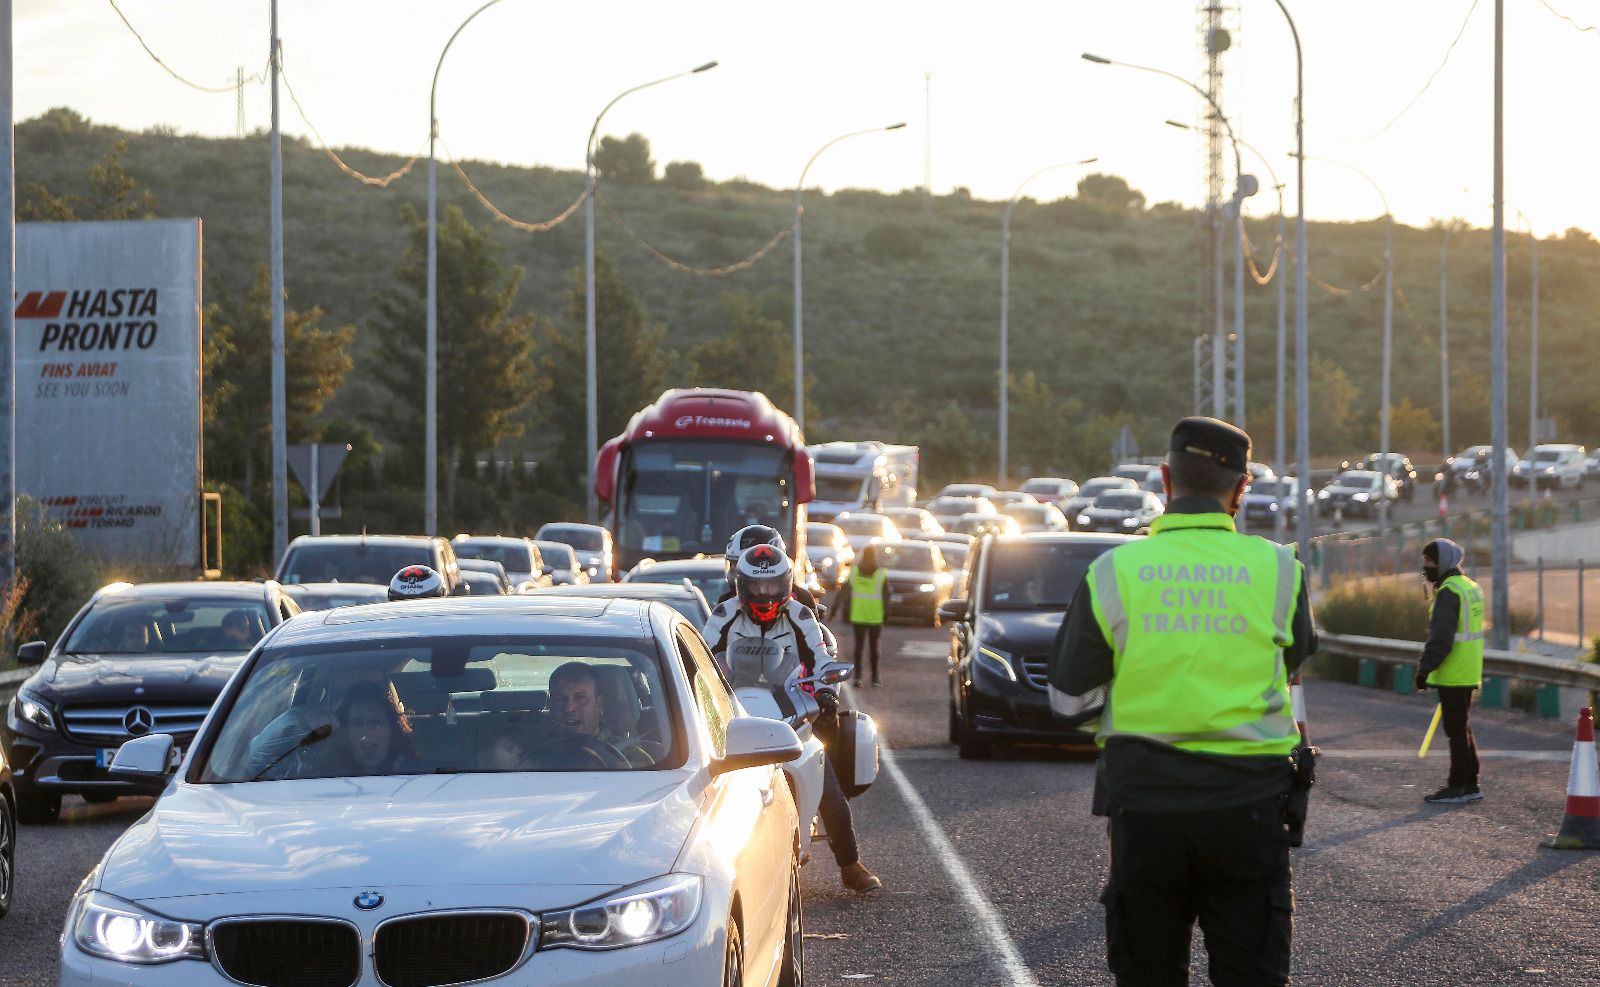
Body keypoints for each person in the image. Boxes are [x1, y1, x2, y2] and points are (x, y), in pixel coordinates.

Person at [1049, 416, 1318, 987]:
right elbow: (1294, 660)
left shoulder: (1111, 572)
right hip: (1248, 812)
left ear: (1165, 480)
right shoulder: (1279, 569)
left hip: (1146, 811)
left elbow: (1069, 702)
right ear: (1242, 490)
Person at [704, 544, 884, 894]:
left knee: (828, 787)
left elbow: (820, 658)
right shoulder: (724, 612)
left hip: (790, 706)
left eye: (773, 585)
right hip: (734, 710)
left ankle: (850, 865)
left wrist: (826, 693)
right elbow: (703, 653)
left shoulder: (801, 615)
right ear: (741, 584)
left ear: (787, 583)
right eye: (757, 586)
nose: (765, 593)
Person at [1414, 538, 1485, 804]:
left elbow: (1441, 638)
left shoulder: (1448, 592)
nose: (1425, 567)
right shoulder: (1470, 587)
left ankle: (1458, 785)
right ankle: (1470, 782)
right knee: (1461, 727)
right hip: (1468, 670)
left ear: (1441, 562)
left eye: (1429, 561)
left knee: (1455, 729)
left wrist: (1424, 669)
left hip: (1453, 672)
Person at [830, 543, 889, 687]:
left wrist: (834, 610)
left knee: (859, 647)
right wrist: (887, 614)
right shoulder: (881, 574)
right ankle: (875, 678)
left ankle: (858, 677)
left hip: (858, 615)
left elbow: (843, 593)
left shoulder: (855, 572)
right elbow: (887, 596)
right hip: (875, 616)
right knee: (874, 647)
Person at [332, 680, 418, 776]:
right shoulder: (325, 778)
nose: (366, 732)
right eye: (357, 724)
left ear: (392, 729)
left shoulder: (417, 775)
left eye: (375, 723)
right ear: (346, 733)